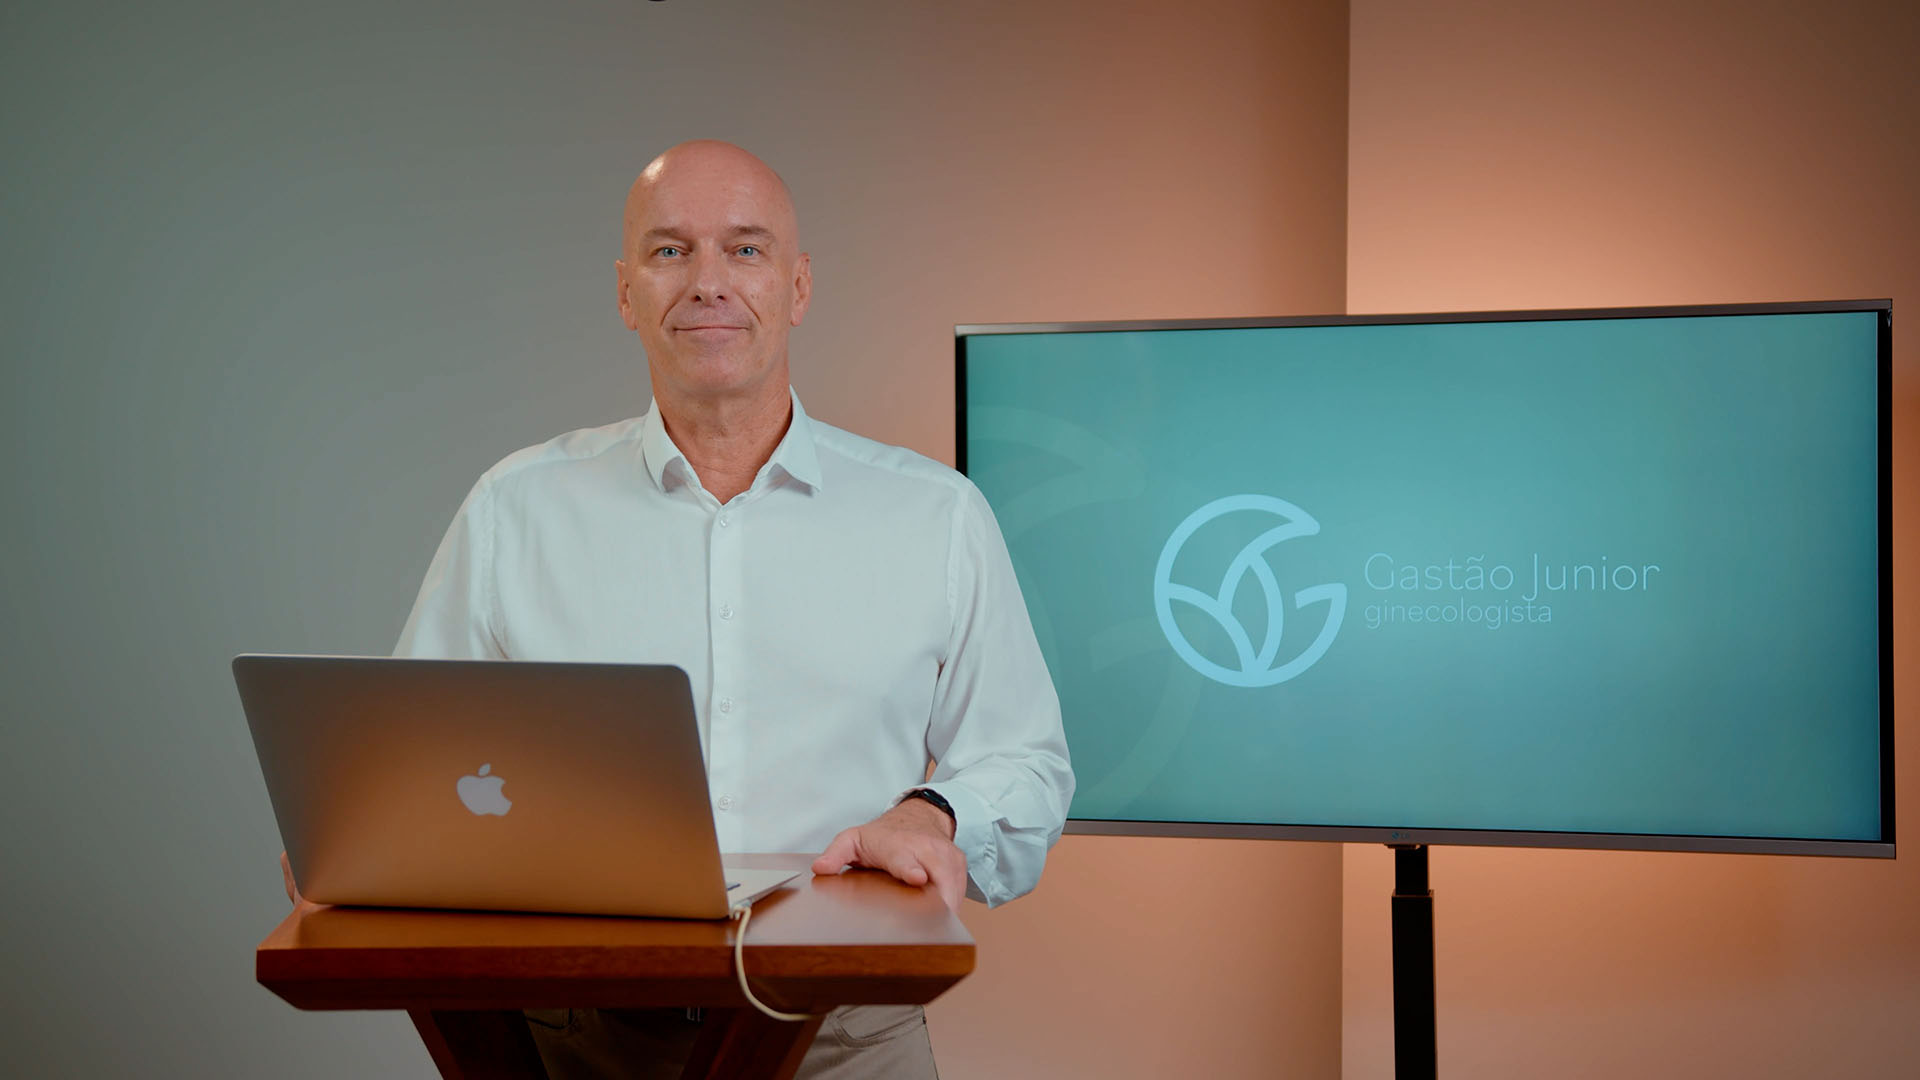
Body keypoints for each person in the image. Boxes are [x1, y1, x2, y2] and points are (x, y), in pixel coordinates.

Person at [384, 140, 1074, 1078]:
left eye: (745, 250)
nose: (707, 282)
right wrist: (367, 837)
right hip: (578, 1037)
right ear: (625, 293)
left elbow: (1027, 763)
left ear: (798, 287)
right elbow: (407, 761)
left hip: (845, 1037)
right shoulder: (516, 508)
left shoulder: (935, 515)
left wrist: (934, 813)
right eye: (670, 251)